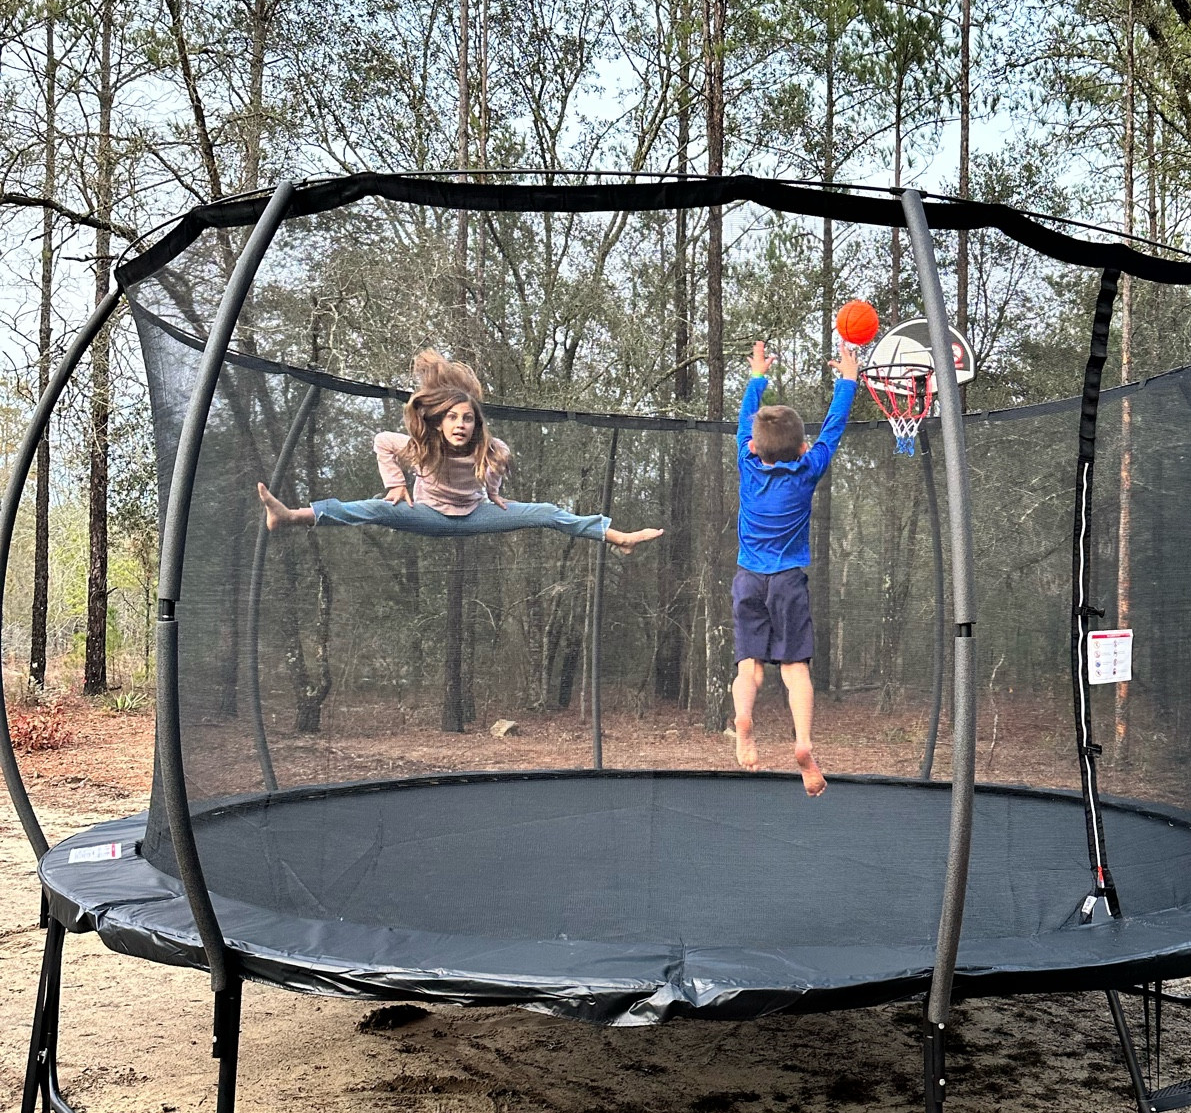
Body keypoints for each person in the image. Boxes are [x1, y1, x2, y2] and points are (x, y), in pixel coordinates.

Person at [257, 349, 663, 551]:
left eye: (467, 419)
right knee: (374, 507)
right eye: (452, 418)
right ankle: (292, 515)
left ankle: (616, 536)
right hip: (428, 513)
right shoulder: (420, 444)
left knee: (545, 512)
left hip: (475, 515)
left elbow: (498, 460)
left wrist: (494, 494)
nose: (460, 425)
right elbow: (383, 442)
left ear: (475, 423)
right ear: (438, 422)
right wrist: (396, 484)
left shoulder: (492, 447)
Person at [732, 338, 859, 796]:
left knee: (750, 667)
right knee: (794, 671)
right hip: (788, 582)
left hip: (749, 579)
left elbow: (748, 416)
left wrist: (758, 375)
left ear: (753, 443)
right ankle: (803, 744)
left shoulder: (747, 463)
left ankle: (744, 718)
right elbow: (834, 428)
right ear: (803, 447)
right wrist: (848, 378)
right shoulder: (808, 469)